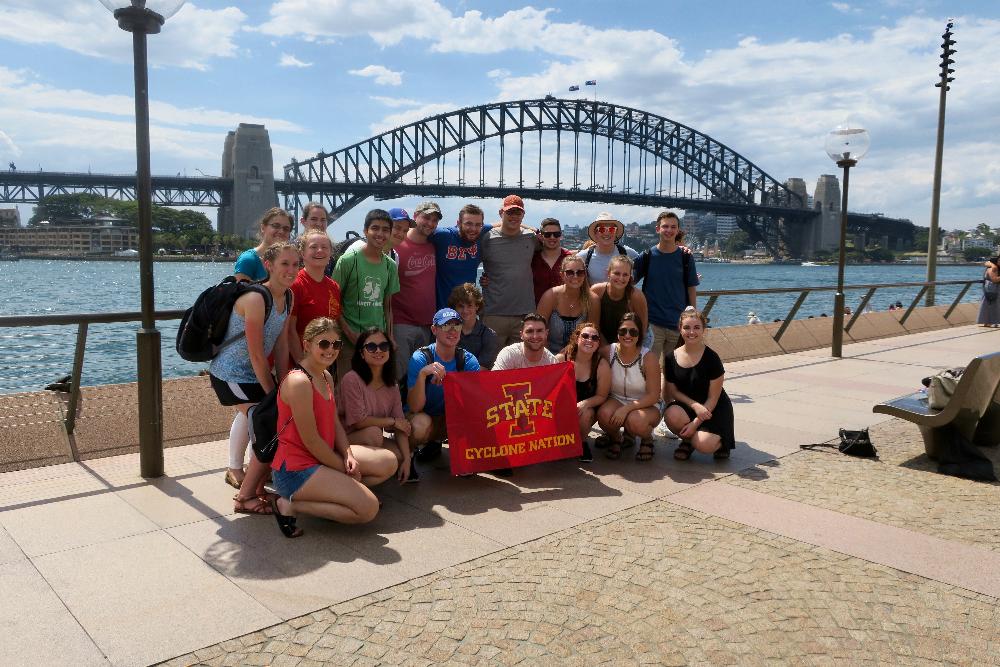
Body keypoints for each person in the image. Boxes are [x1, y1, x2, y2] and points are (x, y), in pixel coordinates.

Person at [270, 318, 379, 537]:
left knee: (386, 464)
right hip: (296, 470)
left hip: (320, 459)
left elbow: (334, 421)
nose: (331, 350)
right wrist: (342, 469)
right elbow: (310, 440)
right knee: (369, 509)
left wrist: (348, 455)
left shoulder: (326, 375)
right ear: (307, 345)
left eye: (336, 344)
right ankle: (290, 504)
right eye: (323, 344)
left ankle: (334, 493)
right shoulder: (299, 382)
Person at [209, 242, 297, 512]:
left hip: (253, 375)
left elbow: (281, 347)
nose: (291, 270)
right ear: (268, 265)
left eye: (295, 264)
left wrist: (285, 388)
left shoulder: (288, 297)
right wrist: (274, 395)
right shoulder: (256, 298)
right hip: (230, 374)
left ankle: (257, 487)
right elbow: (257, 355)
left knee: (272, 419)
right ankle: (244, 498)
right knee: (267, 419)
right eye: (284, 264)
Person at [407, 308, 481, 464]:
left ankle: (461, 456)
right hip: (423, 417)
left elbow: (473, 404)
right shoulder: (420, 357)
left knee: (477, 419)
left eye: (457, 326)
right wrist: (422, 375)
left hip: (450, 419)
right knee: (420, 425)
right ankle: (407, 458)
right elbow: (414, 407)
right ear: (434, 329)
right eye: (446, 326)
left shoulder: (468, 361)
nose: (452, 331)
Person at [332, 209, 400, 380]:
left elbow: (387, 305)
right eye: (375, 228)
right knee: (346, 389)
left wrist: (390, 336)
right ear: (365, 231)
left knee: (375, 388)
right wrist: (349, 334)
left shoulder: (390, 265)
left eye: (385, 229)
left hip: (378, 341)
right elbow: (333, 301)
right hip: (350, 340)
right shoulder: (348, 260)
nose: (380, 233)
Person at [339, 327, 413, 483]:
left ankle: (356, 484)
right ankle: (348, 482)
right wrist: (391, 422)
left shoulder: (392, 385)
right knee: (374, 434)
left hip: (367, 440)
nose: (378, 350)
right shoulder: (352, 379)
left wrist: (408, 459)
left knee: (399, 456)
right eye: (371, 347)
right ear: (361, 353)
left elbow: (401, 425)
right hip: (342, 441)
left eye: (384, 346)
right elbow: (359, 422)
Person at [663, 307, 736, 461]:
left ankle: (721, 443)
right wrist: (694, 405)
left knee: (703, 444)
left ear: (704, 330)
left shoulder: (712, 358)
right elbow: (673, 391)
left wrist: (695, 423)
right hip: (689, 406)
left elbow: (713, 398)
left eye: (697, 328)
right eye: (687, 327)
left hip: (713, 409)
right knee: (671, 414)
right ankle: (688, 441)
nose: (691, 332)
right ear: (680, 329)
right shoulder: (671, 357)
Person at [632, 211, 699, 365]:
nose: (669, 230)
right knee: (649, 368)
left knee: (676, 370)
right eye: (665, 226)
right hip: (652, 324)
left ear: (677, 230)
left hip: (678, 323)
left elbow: (691, 288)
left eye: (673, 227)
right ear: (658, 229)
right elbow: (628, 281)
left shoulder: (685, 257)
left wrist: (693, 318)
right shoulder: (647, 256)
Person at [596, 312, 661, 462]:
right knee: (604, 415)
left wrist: (626, 409)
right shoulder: (608, 352)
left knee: (635, 421)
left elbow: (653, 395)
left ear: (640, 334)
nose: (627, 335)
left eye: (633, 331)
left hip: (647, 404)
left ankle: (646, 439)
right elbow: (585, 357)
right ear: (617, 332)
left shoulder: (648, 357)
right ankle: (617, 438)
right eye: (623, 331)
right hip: (617, 398)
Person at [480, 195, 539, 348]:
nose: (514, 217)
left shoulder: (531, 238)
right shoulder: (486, 239)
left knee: (520, 365)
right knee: (491, 363)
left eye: (517, 213)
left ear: (523, 215)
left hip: (525, 314)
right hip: (494, 313)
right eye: (509, 212)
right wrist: (481, 281)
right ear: (501, 213)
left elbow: (553, 250)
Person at [392, 203, 439, 380]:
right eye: (426, 217)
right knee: (399, 374)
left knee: (420, 376)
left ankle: (414, 408)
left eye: (434, 220)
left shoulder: (433, 245)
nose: (430, 223)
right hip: (401, 323)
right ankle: (396, 408)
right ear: (415, 216)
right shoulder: (397, 246)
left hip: (427, 325)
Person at [556, 322, 611, 463]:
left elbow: (602, 396)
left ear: (598, 343)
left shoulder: (602, 365)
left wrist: (585, 403)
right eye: (585, 336)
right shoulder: (561, 359)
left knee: (586, 413)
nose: (589, 340)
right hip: (561, 407)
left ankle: (581, 442)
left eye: (594, 338)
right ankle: (559, 442)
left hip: (584, 411)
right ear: (577, 338)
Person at [288, 229, 341, 366]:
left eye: (324, 247)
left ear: (330, 253)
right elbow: (289, 330)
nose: (319, 251)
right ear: (302, 253)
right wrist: (303, 365)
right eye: (313, 247)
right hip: (299, 362)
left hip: (325, 362)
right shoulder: (295, 284)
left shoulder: (334, 287)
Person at [429, 203, 489, 309]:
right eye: (468, 224)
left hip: (467, 311)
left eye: (477, 224)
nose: (473, 229)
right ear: (458, 223)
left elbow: (503, 224)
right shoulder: (443, 236)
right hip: (444, 311)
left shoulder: (482, 232)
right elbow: (415, 232)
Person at [535, 255, 598, 354]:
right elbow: (537, 330)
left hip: (581, 354)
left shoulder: (592, 300)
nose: (575, 276)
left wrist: (573, 351)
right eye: (570, 273)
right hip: (549, 354)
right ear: (562, 275)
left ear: (584, 274)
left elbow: (593, 334)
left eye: (580, 272)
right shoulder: (550, 296)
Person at [590, 254, 649, 349]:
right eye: (617, 273)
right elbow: (593, 325)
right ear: (608, 273)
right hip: (602, 338)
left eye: (625, 274)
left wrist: (620, 351)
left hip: (633, 337)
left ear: (630, 276)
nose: (621, 278)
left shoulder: (636, 297)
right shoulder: (597, 291)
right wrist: (607, 349)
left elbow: (642, 329)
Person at [233, 207, 293, 282]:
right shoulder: (248, 260)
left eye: (286, 229)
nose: (281, 231)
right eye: (276, 226)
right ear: (263, 228)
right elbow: (240, 292)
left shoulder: (291, 262)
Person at [577, 212, 638, 285]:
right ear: (595, 233)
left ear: (616, 233)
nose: (606, 233)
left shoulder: (629, 253)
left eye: (611, 229)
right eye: (602, 229)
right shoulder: (583, 257)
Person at [448, 282, 498, 369]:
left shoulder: (489, 335)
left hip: (477, 380)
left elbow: (483, 368)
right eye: (461, 306)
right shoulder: (446, 331)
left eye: (469, 306)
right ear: (454, 308)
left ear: (477, 306)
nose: (465, 311)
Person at [492, 312, 559, 370]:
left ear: (546, 334)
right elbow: (494, 380)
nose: (535, 336)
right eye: (529, 331)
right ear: (521, 335)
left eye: (539, 331)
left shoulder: (551, 362)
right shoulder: (509, 354)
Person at [531, 218, 573, 304]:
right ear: (541, 236)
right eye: (547, 234)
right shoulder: (532, 259)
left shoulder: (569, 258)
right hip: (537, 312)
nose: (552, 237)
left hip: (563, 312)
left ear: (561, 235)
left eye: (556, 234)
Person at [978, 256, 1000, 327]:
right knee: (991, 305)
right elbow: (994, 279)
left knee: (991, 305)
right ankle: (990, 322)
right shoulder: (993, 268)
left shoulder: (993, 267)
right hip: (992, 289)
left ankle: (990, 322)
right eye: (999, 260)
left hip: (991, 289)